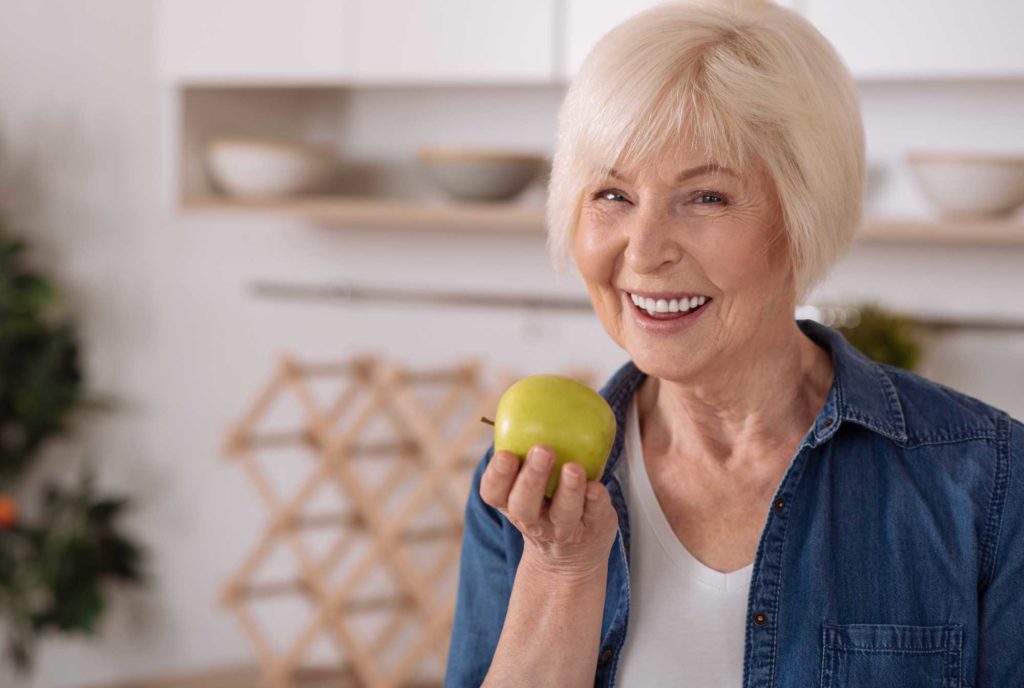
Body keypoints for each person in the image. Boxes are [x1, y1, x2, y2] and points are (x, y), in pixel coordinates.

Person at [444, 1, 1024, 686]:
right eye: (612, 193)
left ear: (803, 216)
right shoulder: (529, 486)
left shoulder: (988, 478)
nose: (646, 249)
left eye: (707, 197)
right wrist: (559, 569)